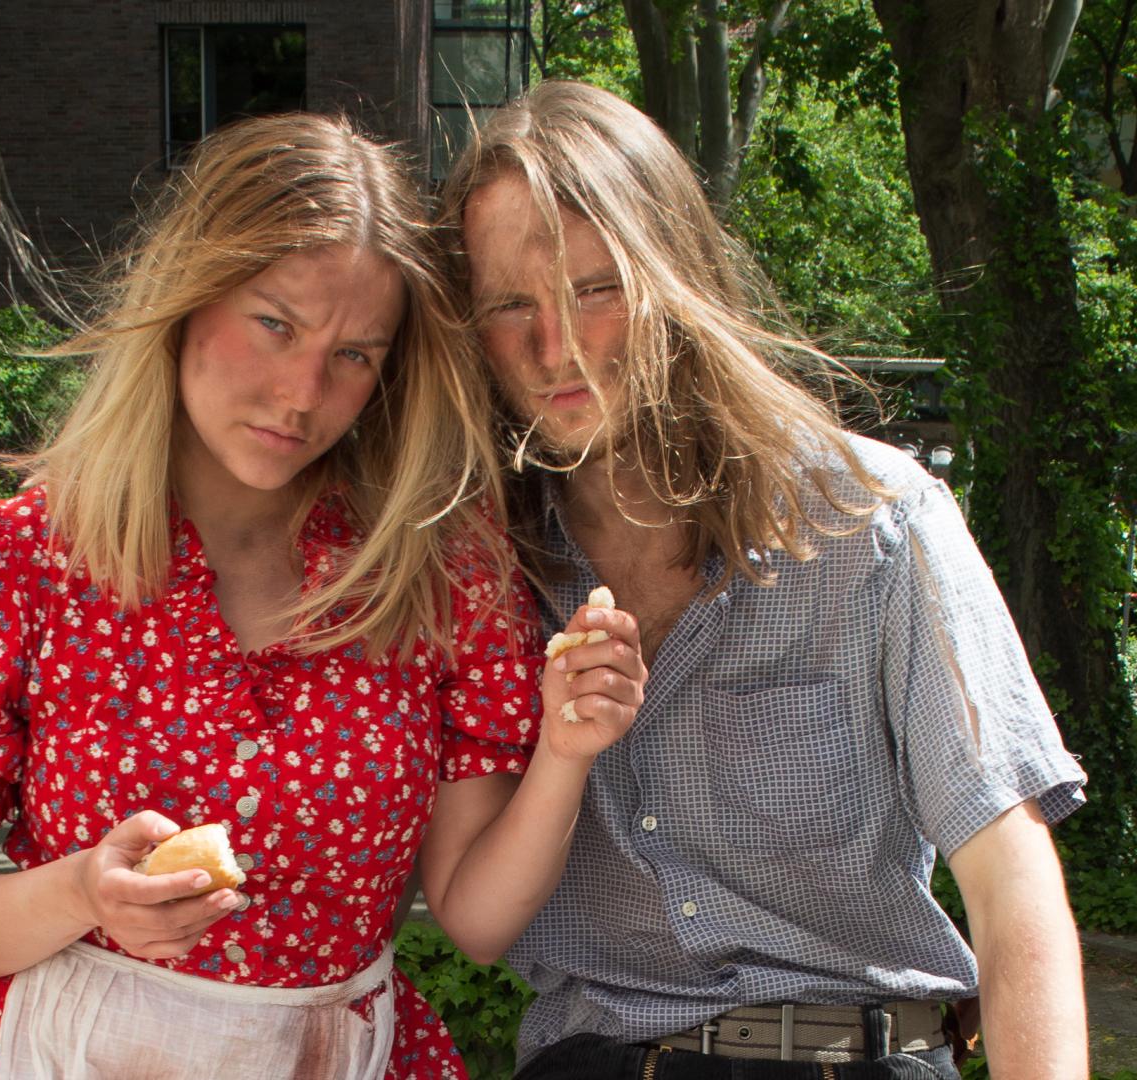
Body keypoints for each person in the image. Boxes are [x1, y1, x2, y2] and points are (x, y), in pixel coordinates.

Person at [0, 111, 646, 1079]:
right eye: (276, 324)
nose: (303, 392)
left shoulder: (433, 569)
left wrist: (564, 750)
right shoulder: (9, 560)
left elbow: (476, 922)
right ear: (188, 299)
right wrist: (82, 895)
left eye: (356, 354)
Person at [439, 81, 1089, 1080]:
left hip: (859, 1055)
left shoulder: (871, 520)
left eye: (596, 289)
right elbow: (473, 910)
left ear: (675, 275)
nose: (553, 345)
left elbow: (1010, 880)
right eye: (510, 305)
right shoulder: (479, 569)